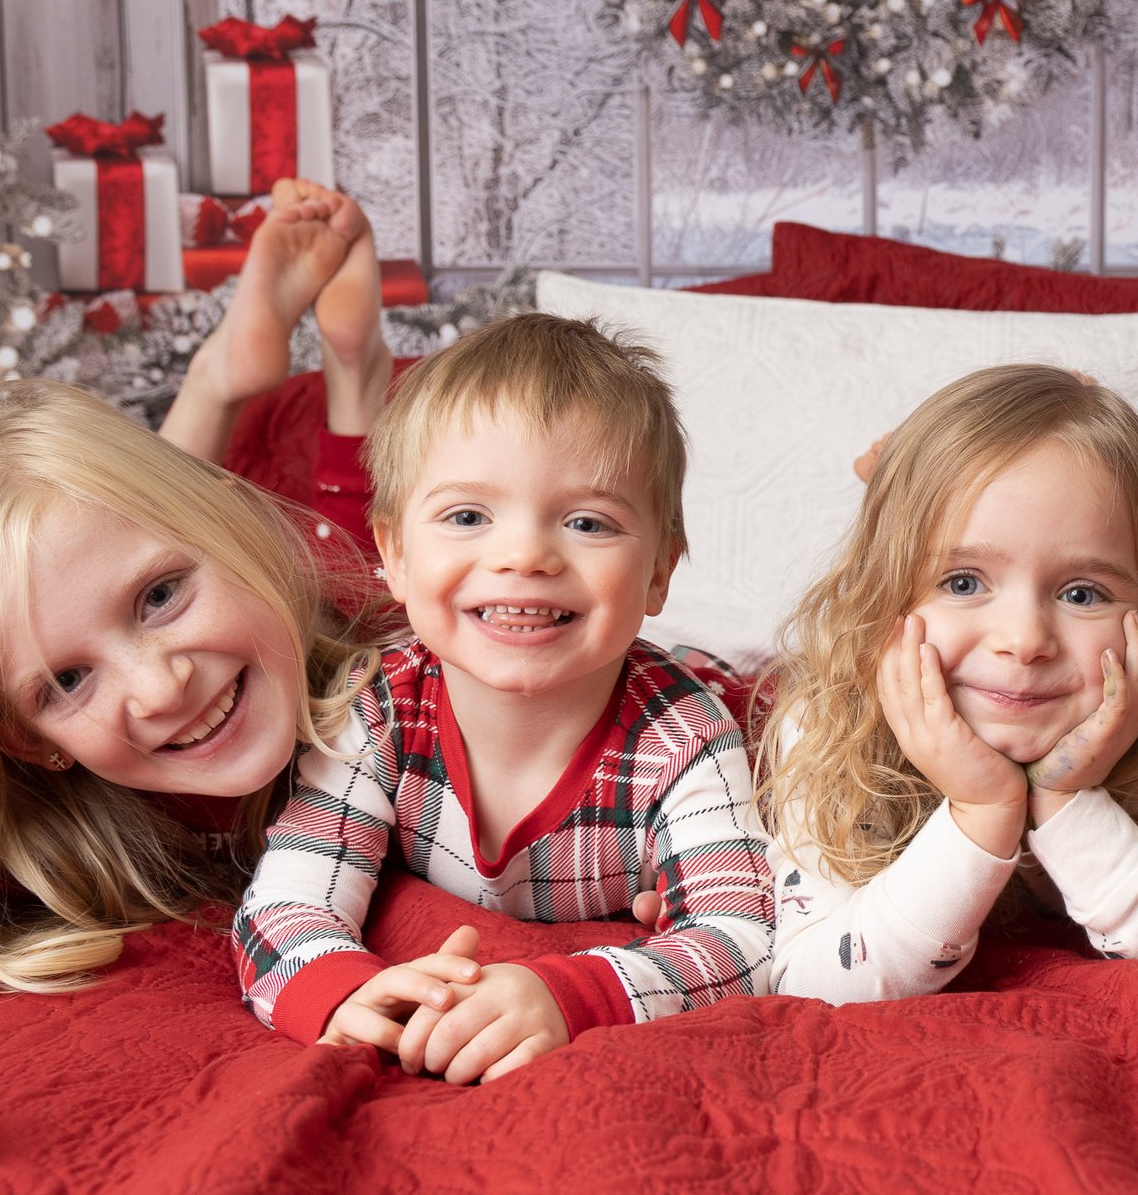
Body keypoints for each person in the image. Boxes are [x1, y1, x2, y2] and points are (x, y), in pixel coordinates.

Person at [0, 186, 466, 1195]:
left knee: (366, 586)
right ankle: (224, 392)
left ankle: (325, 372)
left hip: (300, 588)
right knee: (182, 564)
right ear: (30, 739)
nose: (163, 685)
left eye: (163, 594)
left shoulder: (374, 666)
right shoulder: (29, 814)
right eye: (65, 680)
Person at [231, 313, 775, 1083]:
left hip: (738, 697)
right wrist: (344, 989)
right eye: (467, 516)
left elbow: (741, 939)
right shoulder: (379, 708)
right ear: (393, 553)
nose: (522, 555)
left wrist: (574, 992)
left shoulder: (687, 736)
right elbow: (286, 901)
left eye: (587, 521)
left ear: (659, 573)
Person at [763, 363, 1138, 1002]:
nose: (1025, 640)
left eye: (1081, 592)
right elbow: (815, 983)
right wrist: (981, 812)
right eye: (963, 583)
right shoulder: (827, 719)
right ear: (882, 598)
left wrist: (1068, 800)